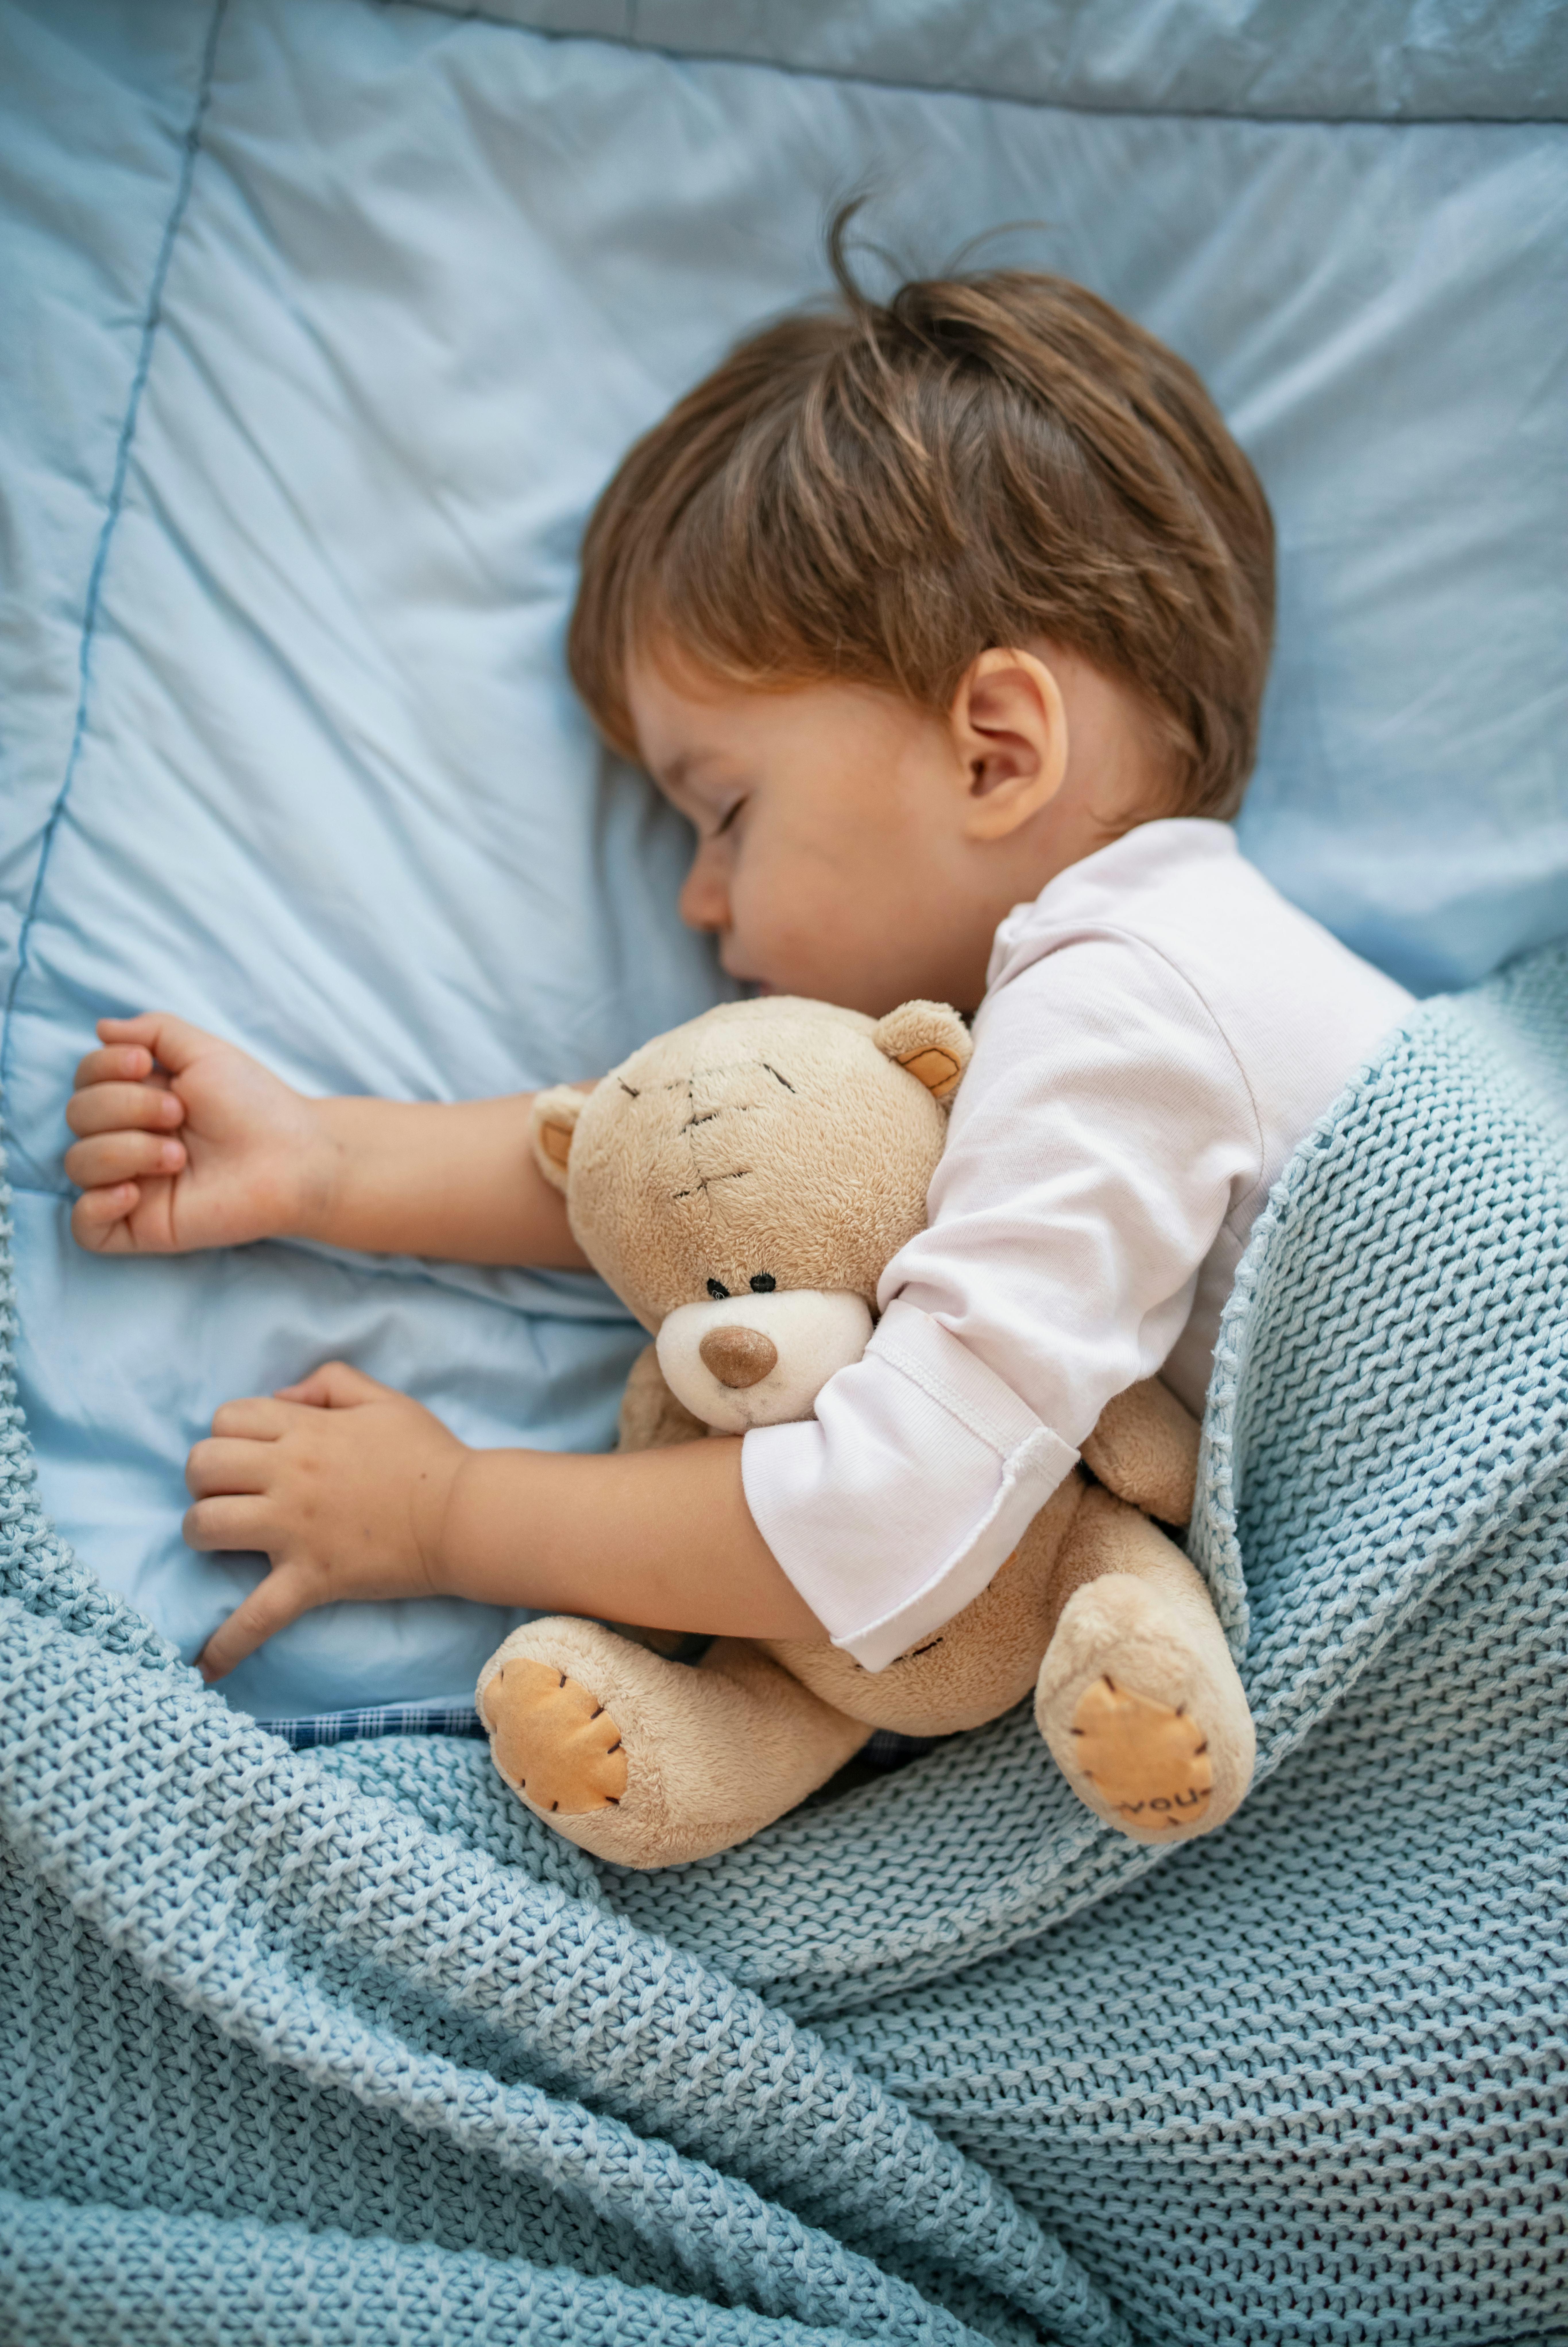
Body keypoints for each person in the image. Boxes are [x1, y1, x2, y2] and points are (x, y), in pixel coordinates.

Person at [63, 251, 1411, 1687]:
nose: (702, 902)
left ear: (993, 751)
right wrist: (327, 1158)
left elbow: (890, 1514)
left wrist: (442, 1513)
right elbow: (731, 1171)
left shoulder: (1127, 997)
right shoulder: (1077, 1016)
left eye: (725, 811)